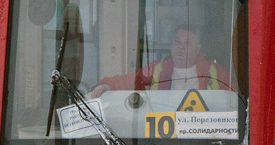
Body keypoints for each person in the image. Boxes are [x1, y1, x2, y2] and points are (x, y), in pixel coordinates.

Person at [89, 25, 231, 97]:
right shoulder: (158, 68)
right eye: (177, 42)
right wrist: (106, 86)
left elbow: (234, 102)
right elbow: (130, 81)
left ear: (198, 48)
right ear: (171, 46)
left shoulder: (215, 72)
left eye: (187, 43)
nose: (181, 47)